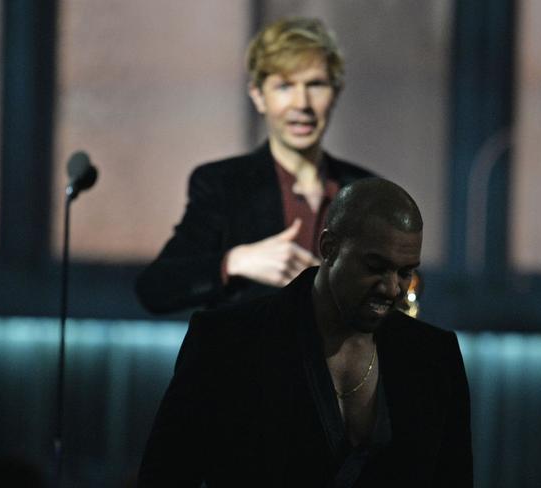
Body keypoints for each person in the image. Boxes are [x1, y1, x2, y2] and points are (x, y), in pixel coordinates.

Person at [138, 178, 473, 487]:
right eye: (375, 267)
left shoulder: (435, 357)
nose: (391, 288)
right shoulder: (225, 343)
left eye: (404, 272)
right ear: (328, 247)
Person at [135, 17, 375, 314]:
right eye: (284, 86)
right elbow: (155, 289)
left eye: (315, 85)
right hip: (249, 360)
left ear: (335, 93)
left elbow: (400, 293)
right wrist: (235, 261)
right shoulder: (222, 184)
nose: (302, 103)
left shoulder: (367, 191)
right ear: (259, 97)